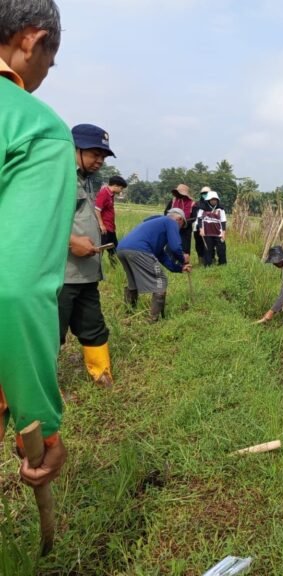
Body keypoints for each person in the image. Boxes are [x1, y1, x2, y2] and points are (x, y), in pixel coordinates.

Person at [0, 0, 73, 486]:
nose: (47, 70)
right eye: (50, 57)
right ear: (32, 39)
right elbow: (17, 287)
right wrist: (41, 426)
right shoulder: (36, 128)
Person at [59, 123, 115, 387]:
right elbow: (37, 220)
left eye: (103, 156)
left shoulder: (86, 181)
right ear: (75, 148)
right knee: (50, 334)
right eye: (95, 154)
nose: (100, 161)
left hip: (86, 274)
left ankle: (101, 375)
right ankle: (45, 389)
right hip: (62, 274)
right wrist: (71, 242)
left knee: (93, 326)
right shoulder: (57, 176)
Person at [116, 208, 191, 321]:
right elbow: (175, 247)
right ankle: (154, 319)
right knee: (160, 280)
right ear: (179, 219)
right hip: (139, 249)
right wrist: (183, 258)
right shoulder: (171, 221)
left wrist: (179, 268)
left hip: (122, 249)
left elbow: (162, 256)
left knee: (133, 283)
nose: (179, 229)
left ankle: (128, 314)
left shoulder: (157, 226)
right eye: (182, 226)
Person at [95, 174, 128, 262]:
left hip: (110, 228)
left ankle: (115, 269)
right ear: (115, 186)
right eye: (121, 188)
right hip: (104, 229)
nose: (121, 191)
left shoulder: (111, 194)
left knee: (114, 250)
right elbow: (97, 209)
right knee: (100, 251)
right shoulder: (104, 193)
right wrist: (101, 225)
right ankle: (97, 269)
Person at [163, 183, 195, 258]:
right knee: (171, 243)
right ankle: (169, 259)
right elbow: (166, 212)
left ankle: (184, 262)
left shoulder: (192, 203)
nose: (178, 194)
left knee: (185, 246)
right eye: (177, 193)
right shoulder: (173, 201)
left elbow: (195, 217)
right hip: (173, 227)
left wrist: (184, 222)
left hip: (186, 228)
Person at [197, 190, 227, 266]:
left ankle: (222, 264)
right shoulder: (202, 208)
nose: (214, 201)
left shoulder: (221, 209)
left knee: (221, 249)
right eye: (212, 199)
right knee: (208, 249)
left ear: (217, 200)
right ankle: (207, 265)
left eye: (215, 199)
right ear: (209, 200)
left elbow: (223, 221)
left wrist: (223, 232)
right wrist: (201, 229)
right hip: (207, 232)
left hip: (218, 232)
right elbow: (200, 219)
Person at [192, 186, 210, 265]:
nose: (205, 195)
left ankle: (209, 260)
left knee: (209, 244)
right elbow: (193, 215)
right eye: (203, 193)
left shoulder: (213, 204)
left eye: (207, 193)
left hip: (210, 227)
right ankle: (201, 260)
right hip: (197, 227)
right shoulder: (196, 204)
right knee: (199, 244)